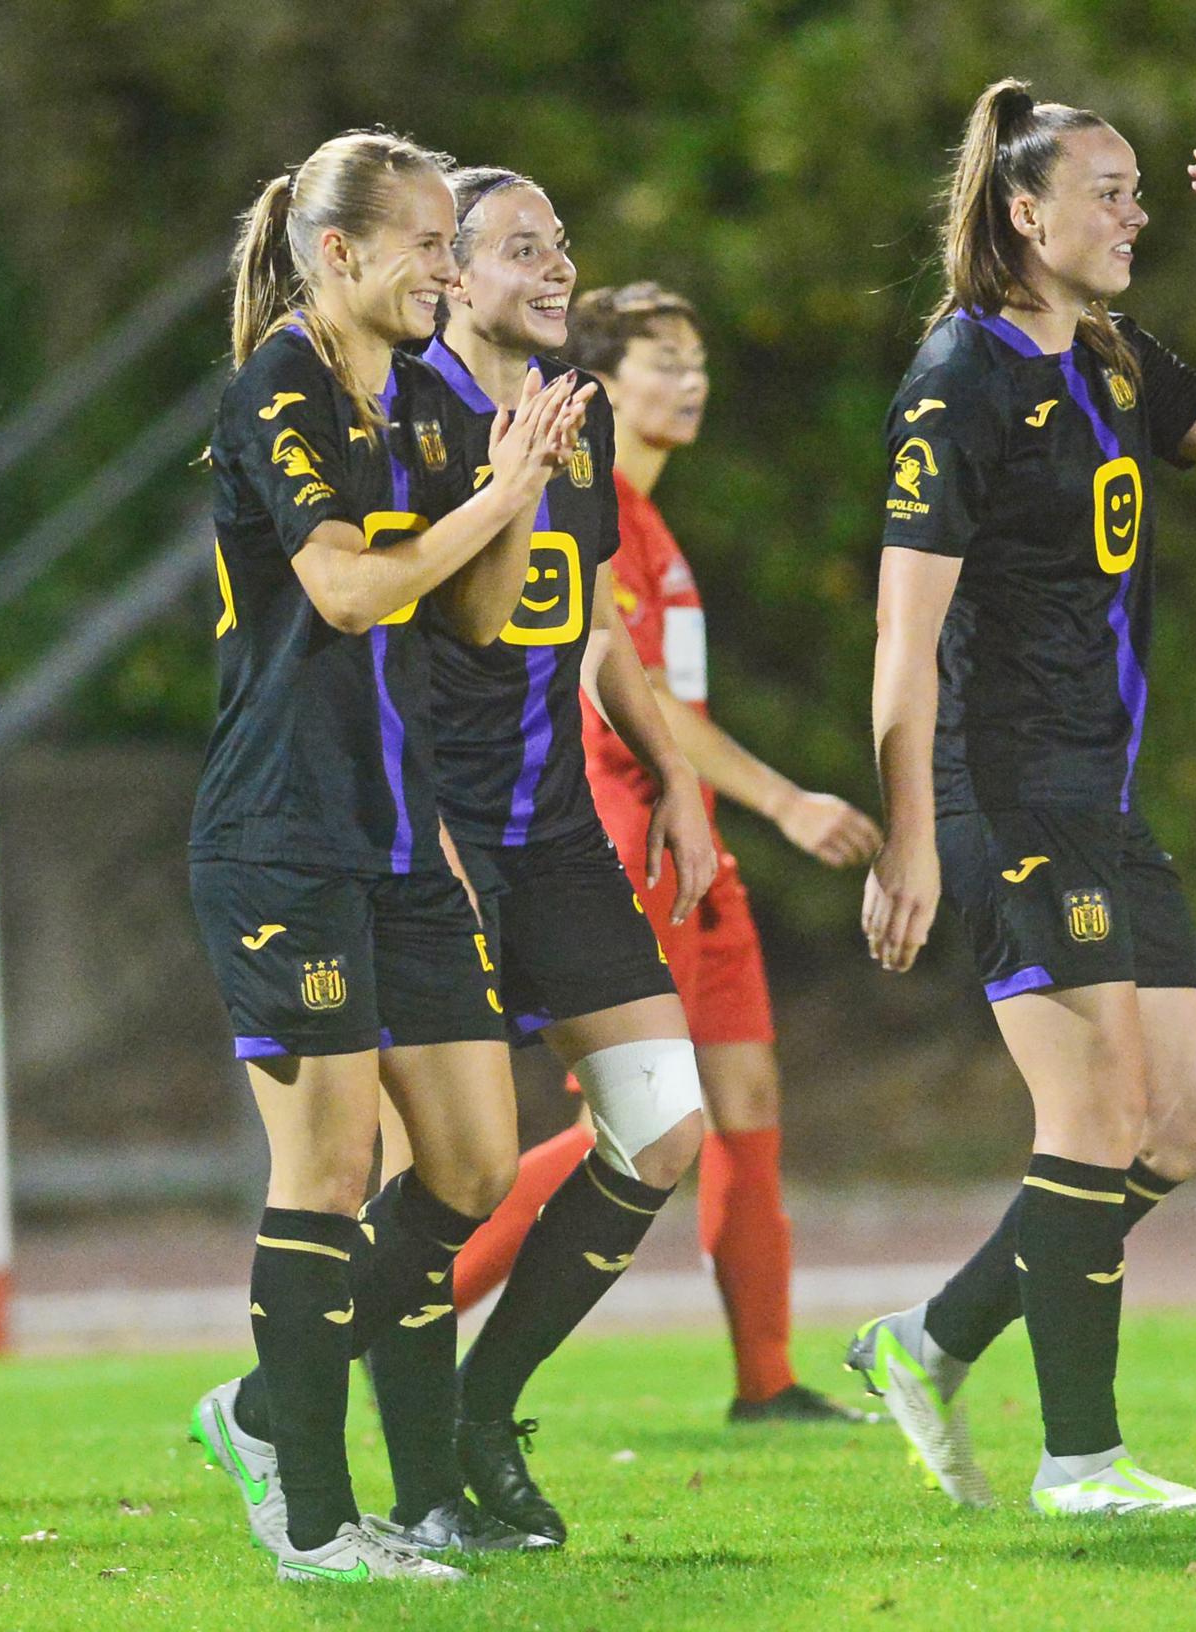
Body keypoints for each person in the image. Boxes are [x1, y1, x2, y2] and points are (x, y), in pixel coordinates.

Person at [852, 78, 1196, 1517]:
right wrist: (912, 837)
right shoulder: (960, 378)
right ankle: (1081, 1461)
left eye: (1137, 191)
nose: (1134, 215)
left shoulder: (1108, 356)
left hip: (1097, 797)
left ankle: (926, 1339)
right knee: (1100, 1110)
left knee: (1188, 1117)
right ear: (1023, 210)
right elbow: (902, 638)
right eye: (1107, 191)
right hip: (1003, 792)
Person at [180, 130, 591, 1587]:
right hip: (283, 832)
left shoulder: (420, 394)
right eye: (425, 240)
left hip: (405, 839)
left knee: (473, 1165)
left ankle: (266, 1410)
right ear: (337, 252)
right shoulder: (280, 383)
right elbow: (348, 591)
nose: (444, 263)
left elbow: (474, 619)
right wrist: (489, 500)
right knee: (332, 1164)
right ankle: (310, 1519)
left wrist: (517, 478)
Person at [435, 278, 887, 1426]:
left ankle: (765, 1382)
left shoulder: (649, 513)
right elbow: (625, 694)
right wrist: (783, 799)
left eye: (696, 360)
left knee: (743, 1090)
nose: (689, 381)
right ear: (598, 382)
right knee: (635, 1121)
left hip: (687, 829)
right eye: (661, 361)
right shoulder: (601, 513)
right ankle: (403, 1304)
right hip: (626, 828)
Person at [363, 165, 719, 1547]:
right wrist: (423, 836)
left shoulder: (571, 420)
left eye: (563, 242)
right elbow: (397, 640)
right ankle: (397, 1482)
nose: (559, 266)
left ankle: (480, 1404)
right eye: (524, 248)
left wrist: (678, 778)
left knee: (663, 1128)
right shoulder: (403, 420)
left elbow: (592, 624)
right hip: (435, 834)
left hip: (559, 831)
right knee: (447, 1176)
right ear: (449, 273)